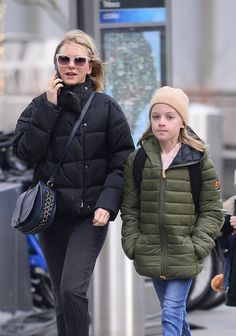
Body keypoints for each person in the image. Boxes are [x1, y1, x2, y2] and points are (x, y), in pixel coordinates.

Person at [13, 30, 134, 336]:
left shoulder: (106, 107)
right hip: (51, 216)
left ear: (90, 67)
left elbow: (123, 161)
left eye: (78, 60)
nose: (70, 65)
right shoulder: (41, 105)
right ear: (56, 62)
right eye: (64, 59)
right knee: (60, 300)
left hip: (89, 217)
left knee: (71, 291)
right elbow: (25, 152)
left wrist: (108, 204)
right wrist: (49, 108)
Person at [120, 86, 223, 335]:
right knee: (176, 317)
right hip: (150, 251)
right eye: (156, 117)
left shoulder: (198, 160)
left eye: (169, 116)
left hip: (185, 251)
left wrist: (196, 246)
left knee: (170, 313)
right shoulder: (139, 160)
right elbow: (130, 208)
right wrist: (134, 243)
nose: (161, 122)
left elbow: (212, 211)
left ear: (182, 122)